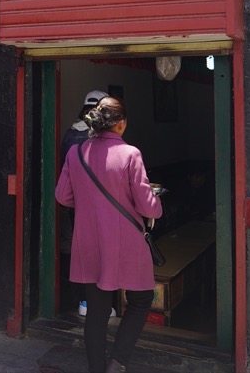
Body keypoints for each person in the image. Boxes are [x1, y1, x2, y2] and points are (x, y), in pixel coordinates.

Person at [55, 97, 162, 373]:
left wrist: (92, 204)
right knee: (141, 301)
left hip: (88, 243)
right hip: (126, 242)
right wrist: (154, 196)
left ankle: (97, 368)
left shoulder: (76, 153)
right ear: (121, 124)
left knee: (97, 311)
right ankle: (119, 362)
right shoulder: (130, 154)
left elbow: (63, 197)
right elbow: (148, 206)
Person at [57, 89, 108, 315]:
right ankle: (100, 301)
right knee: (101, 252)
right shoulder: (103, 138)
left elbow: (64, 174)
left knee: (80, 250)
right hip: (101, 205)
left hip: (76, 204)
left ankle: (82, 300)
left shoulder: (70, 134)